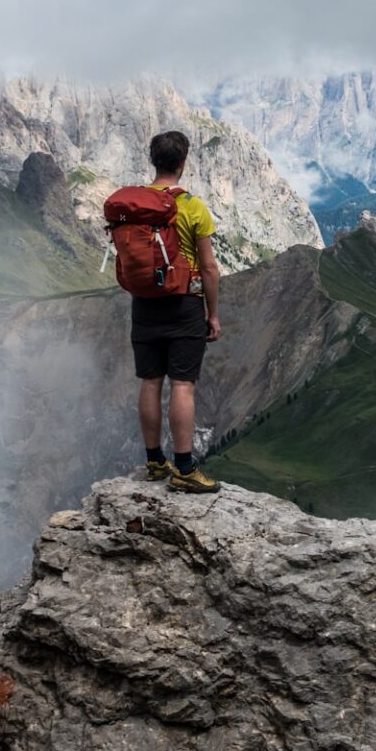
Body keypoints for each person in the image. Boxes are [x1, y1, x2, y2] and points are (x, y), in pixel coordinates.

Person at [132, 130, 223, 493]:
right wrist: (212, 315)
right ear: (183, 163)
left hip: (144, 305)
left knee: (150, 381)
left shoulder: (134, 204)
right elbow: (210, 267)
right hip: (184, 303)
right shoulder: (192, 207)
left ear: (153, 161)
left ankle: (154, 462)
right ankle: (184, 468)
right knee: (182, 384)